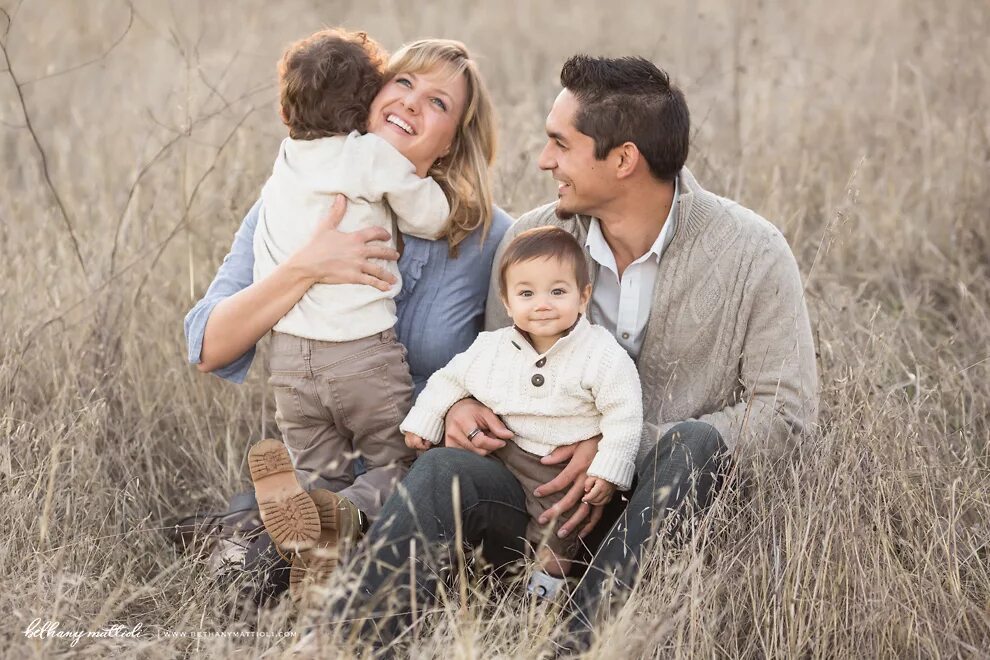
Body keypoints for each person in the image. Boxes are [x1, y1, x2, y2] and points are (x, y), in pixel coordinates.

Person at [328, 54, 819, 649]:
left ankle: (576, 644)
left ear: (623, 160)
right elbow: (492, 366)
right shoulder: (531, 242)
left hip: (663, 517)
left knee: (696, 445)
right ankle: (348, 641)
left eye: (560, 144)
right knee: (442, 473)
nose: (544, 161)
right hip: (539, 507)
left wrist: (621, 445)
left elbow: (786, 416)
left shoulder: (753, 252)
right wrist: (461, 411)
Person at [179, 38, 510, 598]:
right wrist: (303, 267)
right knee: (254, 575)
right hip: (325, 458)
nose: (410, 103)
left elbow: (513, 364)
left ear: (454, 140)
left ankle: (276, 531)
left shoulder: (490, 237)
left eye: (437, 102)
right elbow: (209, 346)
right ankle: (269, 534)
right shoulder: (293, 199)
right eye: (402, 83)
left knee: (347, 552)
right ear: (368, 97)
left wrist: (459, 404)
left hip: (413, 480)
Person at [249, 26, 458, 567]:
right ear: (366, 107)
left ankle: (316, 563)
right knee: (407, 467)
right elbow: (432, 217)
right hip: (361, 355)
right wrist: (431, 188)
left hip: (291, 364)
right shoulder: (368, 155)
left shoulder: (286, 161)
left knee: (319, 474)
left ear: (285, 111)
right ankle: (331, 514)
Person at [401, 226, 643, 592]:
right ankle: (460, 575)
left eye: (557, 292)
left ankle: (541, 599)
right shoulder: (492, 347)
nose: (542, 304)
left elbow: (624, 412)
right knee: (444, 473)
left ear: (583, 296)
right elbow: (449, 380)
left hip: (558, 467)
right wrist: (424, 421)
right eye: (526, 293)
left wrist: (610, 470)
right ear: (507, 301)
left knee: (558, 532)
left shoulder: (601, 354)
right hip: (502, 452)